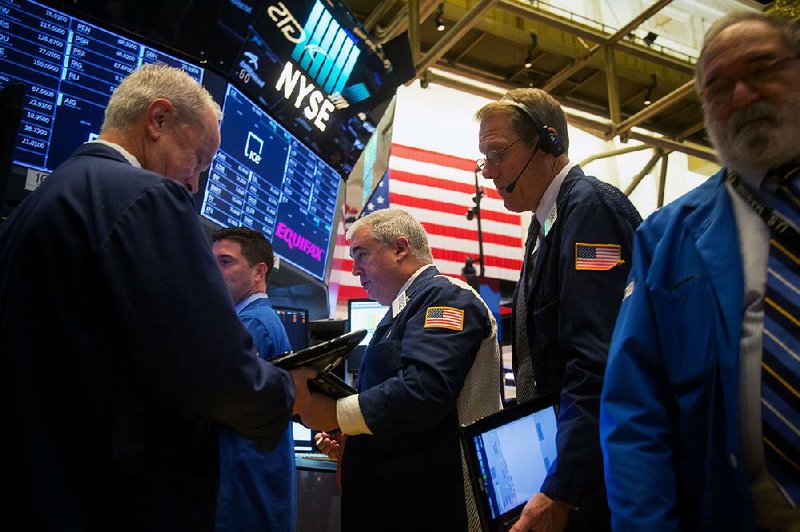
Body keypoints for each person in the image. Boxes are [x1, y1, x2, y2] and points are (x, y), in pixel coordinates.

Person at [0, 64, 315, 530]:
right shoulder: (147, 197)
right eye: (199, 159)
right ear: (158, 120)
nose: (193, 183)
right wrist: (290, 393)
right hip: (105, 500)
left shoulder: (37, 206)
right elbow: (215, 372)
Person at [601, 12, 800, 531]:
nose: (740, 95)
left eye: (761, 69)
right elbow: (634, 410)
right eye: (717, 85)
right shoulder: (666, 237)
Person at [475, 88, 641, 531]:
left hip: (602, 476)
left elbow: (596, 360)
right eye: (483, 159)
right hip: (577, 462)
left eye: (497, 153)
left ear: (548, 143)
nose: (488, 172)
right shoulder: (545, 224)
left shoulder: (590, 212)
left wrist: (562, 485)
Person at [300, 208, 503, 531]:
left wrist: (338, 413)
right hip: (401, 504)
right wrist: (352, 436)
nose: (355, 270)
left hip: (436, 507)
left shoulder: (446, 297)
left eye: (361, 255)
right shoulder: (403, 309)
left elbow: (425, 390)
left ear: (400, 248)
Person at [211, 227, 297, 531]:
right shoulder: (261, 320)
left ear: (259, 271)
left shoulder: (250, 326)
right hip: (257, 482)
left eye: (226, 261)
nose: (214, 270)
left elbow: (221, 405)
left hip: (244, 485)